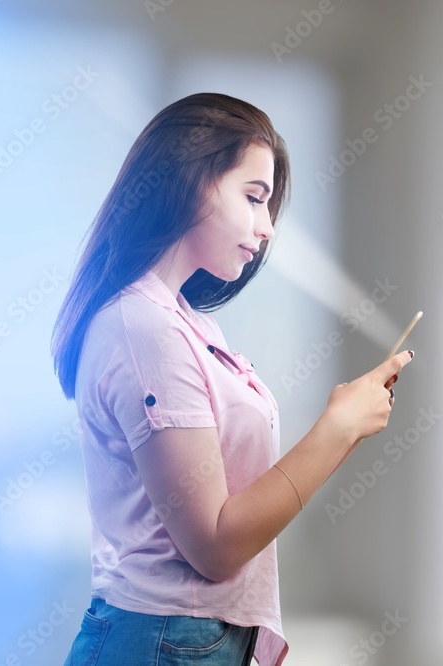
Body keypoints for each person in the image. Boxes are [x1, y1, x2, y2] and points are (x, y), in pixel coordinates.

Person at [50, 92, 414, 665]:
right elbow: (216, 547)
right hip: (158, 643)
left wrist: (345, 426)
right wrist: (336, 429)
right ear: (191, 181)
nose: (266, 228)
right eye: (254, 197)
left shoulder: (187, 325)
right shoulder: (142, 328)